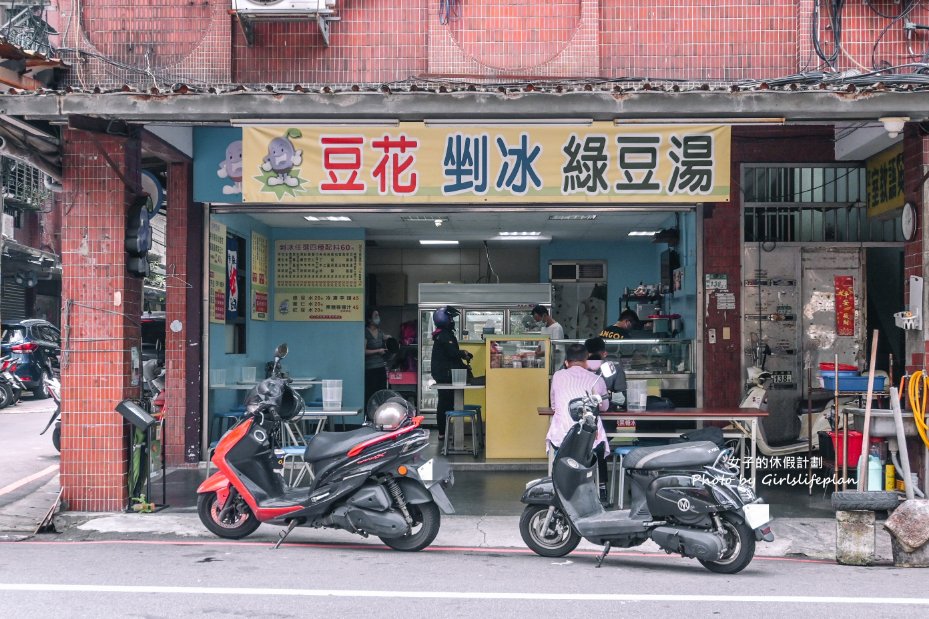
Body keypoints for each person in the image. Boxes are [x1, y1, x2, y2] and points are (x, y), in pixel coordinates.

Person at [547, 343, 610, 502]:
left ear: (566, 362)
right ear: (587, 360)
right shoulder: (597, 379)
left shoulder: (558, 376)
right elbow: (604, 407)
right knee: (596, 447)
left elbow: (554, 405)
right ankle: (599, 490)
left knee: (562, 449)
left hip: (562, 437)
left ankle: (557, 489)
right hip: (590, 440)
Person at [430, 305, 472, 442]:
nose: (452, 321)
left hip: (446, 373)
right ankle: (443, 432)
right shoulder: (443, 335)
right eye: (450, 318)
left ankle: (446, 432)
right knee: (444, 403)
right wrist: (463, 353)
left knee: (447, 403)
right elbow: (452, 353)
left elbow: (453, 357)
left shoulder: (444, 334)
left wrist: (463, 360)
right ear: (444, 319)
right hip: (444, 375)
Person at [585, 336, 627, 408]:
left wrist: (605, 396)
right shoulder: (578, 369)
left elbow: (622, 397)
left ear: (604, 354)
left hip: (607, 409)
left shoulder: (614, 369)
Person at [363, 308, 391, 408]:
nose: (378, 318)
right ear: (369, 319)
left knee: (381, 392)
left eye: (378, 315)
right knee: (371, 393)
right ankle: (370, 415)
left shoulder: (380, 332)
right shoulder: (365, 332)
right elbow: (363, 351)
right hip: (370, 368)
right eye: (375, 316)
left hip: (380, 367)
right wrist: (378, 351)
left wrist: (388, 338)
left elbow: (385, 338)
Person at [532, 304, 565, 369]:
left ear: (544, 315)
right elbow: (540, 345)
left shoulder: (556, 328)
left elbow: (556, 349)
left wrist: (540, 354)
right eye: (536, 321)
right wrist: (536, 352)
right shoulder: (543, 329)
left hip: (555, 364)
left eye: (538, 320)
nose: (538, 322)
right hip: (546, 363)